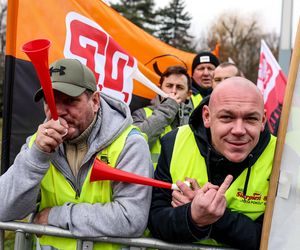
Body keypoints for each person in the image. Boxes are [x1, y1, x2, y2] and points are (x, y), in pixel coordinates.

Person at [0, 58, 153, 250]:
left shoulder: (129, 143)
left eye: (70, 101)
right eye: (50, 101)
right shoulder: (37, 144)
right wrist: (37, 157)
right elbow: (3, 209)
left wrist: (55, 217)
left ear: (95, 101)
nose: (58, 112)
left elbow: (131, 218)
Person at [148, 77, 277, 250]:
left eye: (250, 119)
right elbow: (155, 221)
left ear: (262, 120)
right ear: (207, 116)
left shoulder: (281, 156)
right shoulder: (175, 142)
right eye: (227, 117)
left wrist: (211, 216)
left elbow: (275, 238)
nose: (239, 130)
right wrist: (191, 216)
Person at [132, 65, 192, 168]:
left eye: (179, 87)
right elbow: (135, 144)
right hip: (149, 180)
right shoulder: (141, 114)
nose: (173, 91)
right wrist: (168, 108)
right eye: (169, 86)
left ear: (189, 94)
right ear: (159, 88)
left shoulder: (195, 120)